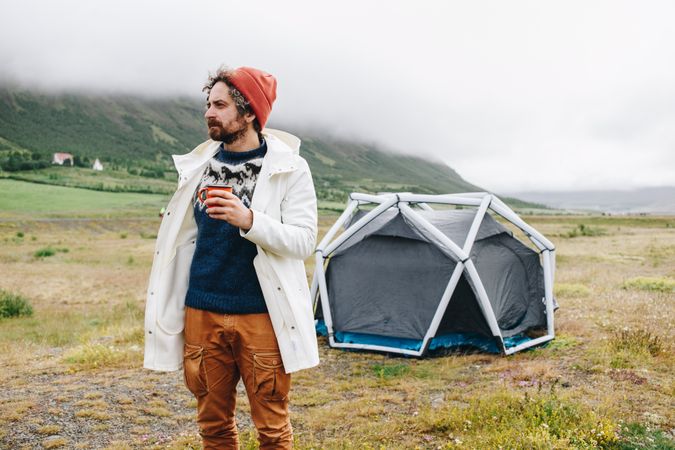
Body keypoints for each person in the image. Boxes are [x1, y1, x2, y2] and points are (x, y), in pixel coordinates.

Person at [143, 65, 320, 449]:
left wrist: (250, 220)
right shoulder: (198, 165)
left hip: (261, 313)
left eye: (220, 105)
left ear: (249, 112)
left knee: (272, 429)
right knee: (214, 426)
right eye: (208, 104)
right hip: (201, 311)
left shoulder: (291, 169)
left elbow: (304, 241)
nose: (209, 112)